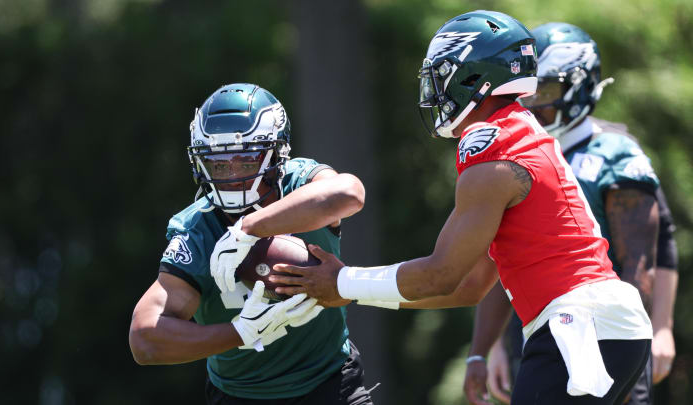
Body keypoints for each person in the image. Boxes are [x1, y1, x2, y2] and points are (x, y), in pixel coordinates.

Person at [269, 11, 653, 405]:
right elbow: (469, 285)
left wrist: (343, 282)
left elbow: (440, 275)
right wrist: (348, 292)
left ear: (475, 76)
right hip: (608, 326)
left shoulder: (492, 148)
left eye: (441, 75)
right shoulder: (518, 133)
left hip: (579, 323)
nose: (434, 90)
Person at [462, 22, 679, 405]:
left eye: (545, 90)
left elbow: (645, 260)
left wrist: (660, 327)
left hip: (605, 332)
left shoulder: (616, 153)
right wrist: (488, 346)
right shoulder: (514, 153)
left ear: (579, 84)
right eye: (528, 92)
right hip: (541, 331)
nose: (532, 103)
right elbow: (500, 257)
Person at [128, 83, 375, 405]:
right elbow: (145, 339)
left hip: (330, 380)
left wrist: (248, 228)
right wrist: (242, 332)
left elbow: (349, 194)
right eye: (218, 164)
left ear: (277, 154)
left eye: (245, 162)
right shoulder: (197, 228)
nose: (232, 174)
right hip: (240, 395)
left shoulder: (298, 182)